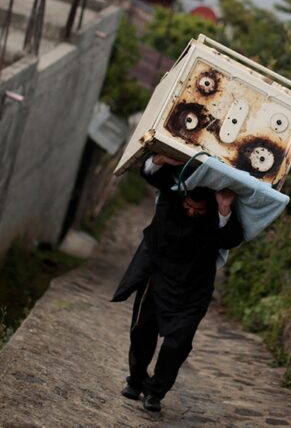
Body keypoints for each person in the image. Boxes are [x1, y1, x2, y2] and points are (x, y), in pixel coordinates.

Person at [111, 153, 244, 413]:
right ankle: (136, 380)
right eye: (188, 208)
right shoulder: (173, 188)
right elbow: (149, 172)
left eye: (199, 211)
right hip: (157, 272)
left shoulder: (219, 212)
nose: (193, 212)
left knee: (178, 342)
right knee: (142, 331)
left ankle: (155, 393)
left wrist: (224, 209)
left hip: (193, 285)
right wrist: (160, 159)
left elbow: (231, 239)